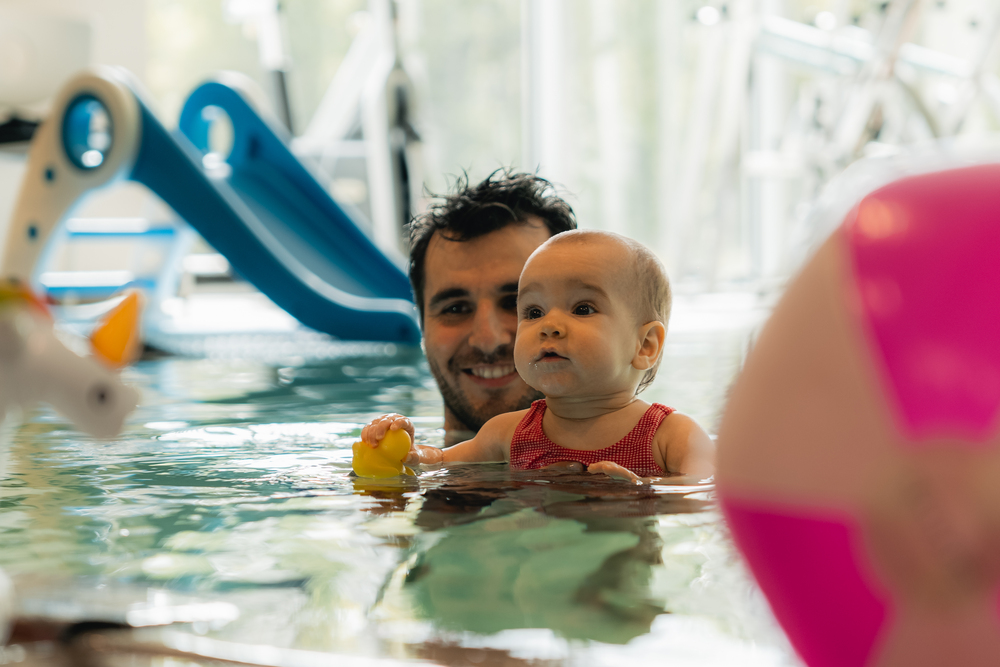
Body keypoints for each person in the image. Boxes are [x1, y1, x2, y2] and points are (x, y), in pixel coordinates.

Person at [363, 229, 716, 484]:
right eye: (533, 312)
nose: (549, 326)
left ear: (645, 346)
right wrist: (404, 453)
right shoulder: (508, 432)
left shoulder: (671, 437)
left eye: (582, 308)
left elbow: (713, 495)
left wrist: (645, 488)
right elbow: (440, 462)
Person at [409, 169, 577, 445]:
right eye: (455, 309)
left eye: (518, 303)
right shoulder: (392, 474)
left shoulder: (655, 456)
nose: (488, 340)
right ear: (422, 326)